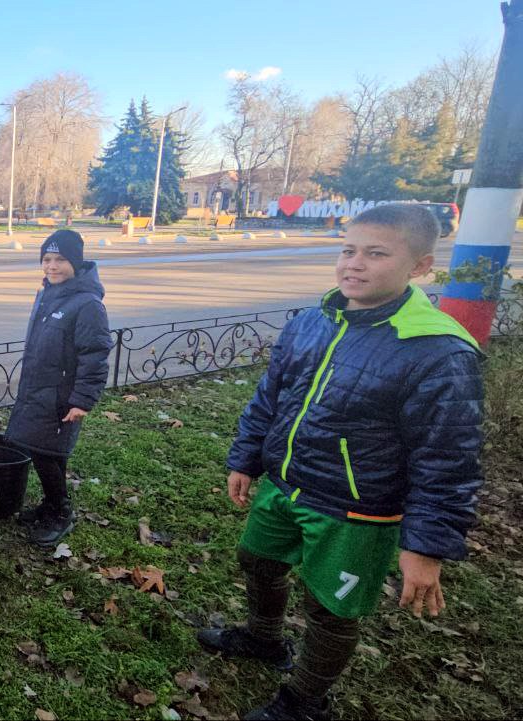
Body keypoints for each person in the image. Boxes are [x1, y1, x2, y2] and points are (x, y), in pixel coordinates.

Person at [199, 203, 484, 720]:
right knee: (258, 562)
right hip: (286, 485)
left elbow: (447, 458)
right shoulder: (313, 321)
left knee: (330, 608)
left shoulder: (437, 351)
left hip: (357, 510)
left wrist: (425, 546)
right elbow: (271, 397)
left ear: (419, 266)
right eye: (348, 250)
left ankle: (305, 701)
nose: (354, 264)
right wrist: (246, 458)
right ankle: (263, 639)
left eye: (376, 254)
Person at [5, 229, 113, 548]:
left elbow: (95, 354)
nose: (52, 266)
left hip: (62, 397)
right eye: (47, 259)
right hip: (39, 389)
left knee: (47, 454)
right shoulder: (48, 293)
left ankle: (61, 511)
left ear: (76, 263)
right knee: (43, 452)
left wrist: (82, 400)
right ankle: (50, 504)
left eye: (60, 260)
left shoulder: (88, 304)